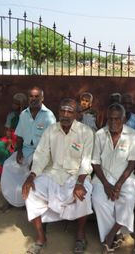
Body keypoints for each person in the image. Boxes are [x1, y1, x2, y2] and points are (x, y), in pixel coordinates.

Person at [22, 98, 94, 254]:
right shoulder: (51, 130)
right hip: (53, 173)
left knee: (84, 194)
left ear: (76, 114)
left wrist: (80, 183)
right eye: (63, 111)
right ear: (58, 112)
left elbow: (86, 162)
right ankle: (41, 237)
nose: (65, 115)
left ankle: (81, 235)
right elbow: (41, 156)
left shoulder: (86, 132)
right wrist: (31, 176)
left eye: (70, 111)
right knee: (31, 191)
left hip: (76, 175)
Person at [91, 103, 135, 253]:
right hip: (103, 177)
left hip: (125, 178)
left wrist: (118, 185)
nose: (113, 122)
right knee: (98, 200)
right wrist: (106, 184)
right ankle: (117, 233)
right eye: (110, 119)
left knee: (129, 198)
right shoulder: (99, 134)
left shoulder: (132, 135)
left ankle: (110, 235)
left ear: (124, 119)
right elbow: (95, 162)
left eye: (117, 119)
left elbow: (132, 162)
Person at [0, 87, 56, 211]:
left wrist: (39, 159)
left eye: (37, 97)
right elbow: (19, 135)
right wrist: (19, 152)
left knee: (31, 170)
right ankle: (11, 199)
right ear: (28, 98)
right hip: (25, 150)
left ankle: (27, 202)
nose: (34, 99)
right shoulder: (24, 114)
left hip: (41, 152)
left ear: (42, 98)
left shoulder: (49, 116)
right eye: (31, 96)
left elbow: (52, 141)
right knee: (8, 165)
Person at [0, 93, 28, 185]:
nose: (13, 105)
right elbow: (8, 129)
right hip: (11, 137)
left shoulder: (27, 116)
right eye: (13, 103)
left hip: (22, 140)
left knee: (10, 152)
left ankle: (4, 175)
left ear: (21, 105)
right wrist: (9, 140)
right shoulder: (11, 115)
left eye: (16, 104)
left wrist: (18, 142)